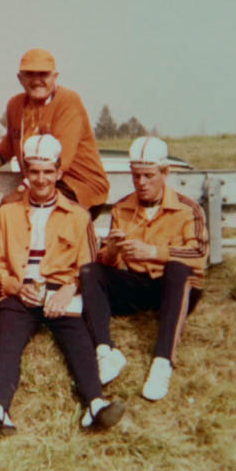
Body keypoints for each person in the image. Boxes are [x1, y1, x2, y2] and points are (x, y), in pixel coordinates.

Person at [0, 135, 125, 437]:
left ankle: (95, 405)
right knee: (9, 339)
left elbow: (89, 267)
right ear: (25, 173)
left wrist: (69, 288)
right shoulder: (6, 214)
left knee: (79, 337)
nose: (41, 179)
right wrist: (14, 285)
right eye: (34, 171)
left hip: (62, 291)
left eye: (48, 172)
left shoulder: (78, 216)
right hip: (21, 291)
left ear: (59, 173)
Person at [80, 136, 208, 400]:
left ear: (165, 173)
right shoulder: (123, 208)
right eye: (136, 176)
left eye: (149, 176)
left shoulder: (188, 209)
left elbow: (199, 253)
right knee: (90, 272)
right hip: (138, 283)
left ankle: (163, 362)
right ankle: (105, 351)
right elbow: (108, 263)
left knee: (177, 270)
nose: (142, 183)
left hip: (175, 287)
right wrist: (113, 250)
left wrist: (154, 252)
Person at [0, 48, 109, 220]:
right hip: (41, 182)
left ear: (55, 77)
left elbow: (62, 161)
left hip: (78, 185)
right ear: (20, 78)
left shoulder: (68, 101)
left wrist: (20, 191)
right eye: (30, 74)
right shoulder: (15, 104)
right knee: (8, 216)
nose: (36, 81)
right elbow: (11, 141)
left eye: (43, 74)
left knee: (17, 214)